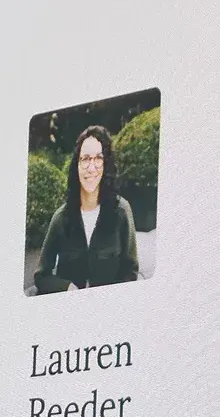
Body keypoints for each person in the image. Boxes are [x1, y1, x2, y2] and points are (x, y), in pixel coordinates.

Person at [33, 124, 140, 293]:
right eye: (85, 159)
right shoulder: (61, 218)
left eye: (98, 158)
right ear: (76, 165)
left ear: (106, 165)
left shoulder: (121, 211)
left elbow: (131, 271)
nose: (91, 168)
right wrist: (67, 288)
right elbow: (41, 276)